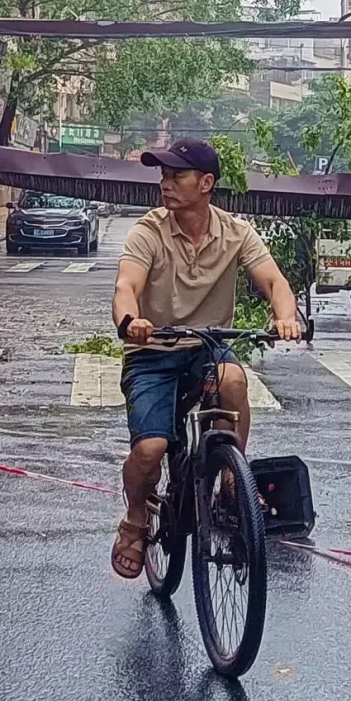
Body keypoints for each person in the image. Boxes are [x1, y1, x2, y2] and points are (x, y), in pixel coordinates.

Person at [108, 137, 301, 578]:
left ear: (206, 183)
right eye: (164, 176)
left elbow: (275, 282)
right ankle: (135, 520)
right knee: (151, 449)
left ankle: (232, 479)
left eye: (177, 176)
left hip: (207, 347)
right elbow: (126, 286)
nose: (166, 183)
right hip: (153, 352)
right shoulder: (149, 231)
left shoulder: (236, 232)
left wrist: (286, 317)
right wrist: (131, 320)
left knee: (233, 380)